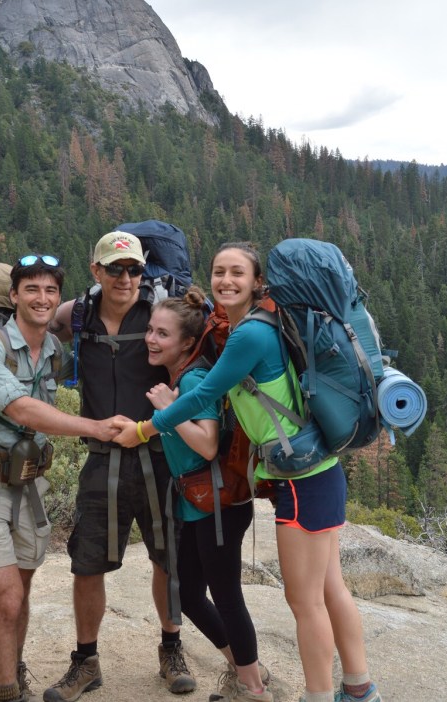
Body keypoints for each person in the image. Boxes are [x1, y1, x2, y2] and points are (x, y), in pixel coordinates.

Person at [120, 243, 383, 702]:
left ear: (258, 280)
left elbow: (202, 397)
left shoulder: (249, 336)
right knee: (330, 588)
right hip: (319, 470)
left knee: (305, 602)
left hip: (302, 481)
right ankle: (359, 690)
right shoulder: (264, 324)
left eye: (236, 272)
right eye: (218, 271)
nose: (225, 280)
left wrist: (144, 428)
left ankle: (319, 695)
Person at [0, 253, 130, 702]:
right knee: (7, 599)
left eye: (50, 290)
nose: (42, 298)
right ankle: (8, 694)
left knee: (23, 592)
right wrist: (94, 427)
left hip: (26, 482)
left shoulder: (53, 352)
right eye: (31, 289)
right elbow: (20, 408)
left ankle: (14, 670)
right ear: (14, 296)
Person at [45, 231, 194, 701]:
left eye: (134, 269)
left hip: (158, 454)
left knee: (167, 558)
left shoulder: (158, 313)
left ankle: (171, 649)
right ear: (97, 271)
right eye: (116, 269)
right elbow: (35, 327)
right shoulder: (79, 314)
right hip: (101, 457)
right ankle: (85, 662)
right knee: (86, 564)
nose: (126, 278)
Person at [130, 287, 273, 701]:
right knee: (190, 594)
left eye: (163, 334)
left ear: (188, 343)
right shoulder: (181, 375)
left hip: (219, 506)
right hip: (198, 503)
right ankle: (245, 669)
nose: (152, 340)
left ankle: (252, 688)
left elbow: (208, 444)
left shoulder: (193, 378)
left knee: (227, 596)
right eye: (151, 331)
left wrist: (165, 412)